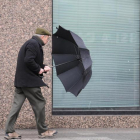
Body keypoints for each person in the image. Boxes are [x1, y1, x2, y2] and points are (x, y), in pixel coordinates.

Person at [4, 28, 58, 139]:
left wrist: (43, 67)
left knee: (16, 105)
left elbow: (32, 61)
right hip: (29, 82)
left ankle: (9, 131)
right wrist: (39, 70)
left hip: (21, 82)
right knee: (40, 103)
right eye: (47, 38)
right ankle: (43, 131)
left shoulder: (31, 43)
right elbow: (28, 60)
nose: (47, 41)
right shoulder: (34, 44)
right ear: (42, 36)